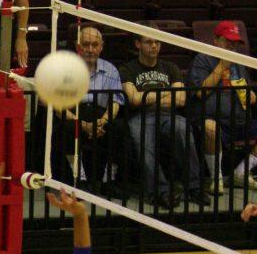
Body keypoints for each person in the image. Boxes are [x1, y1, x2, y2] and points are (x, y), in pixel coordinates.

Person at [119, 34, 208, 209]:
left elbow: (180, 99)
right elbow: (134, 99)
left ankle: (195, 187)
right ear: (138, 44)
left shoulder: (170, 67)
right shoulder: (127, 69)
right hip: (140, 116)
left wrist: (147, 97)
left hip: (168, 115)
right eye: (149, 42)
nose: (154, 45)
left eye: (157, 41)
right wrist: (166, 93)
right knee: (143, 139)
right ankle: (160, 191)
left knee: (183, 128)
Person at [186, 20, 257, 192]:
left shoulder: (238, 63)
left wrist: (250, 95)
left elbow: (250, 97)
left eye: (235, 43)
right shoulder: (202, 59)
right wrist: (221, 66)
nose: (232, 46)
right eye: (228, 41)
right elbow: (201, 92)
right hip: (212, 120)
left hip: (240, 120)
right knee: (210, 127)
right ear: (215, 40)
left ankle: (241, 173)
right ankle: (216, 179)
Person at [55, 25, 123, 191]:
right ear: (78, 47)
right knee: (67, 129)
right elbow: (58, 106)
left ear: (101, 47)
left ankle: (109, 180)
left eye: (94, 45)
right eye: (85, 45)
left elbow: (116, 101)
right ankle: (79, 179)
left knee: (120, 129)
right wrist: (83, 124)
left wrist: (103, 122)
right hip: (74, 116)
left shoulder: (111, 70)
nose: (90, 49)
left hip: (101, 116)